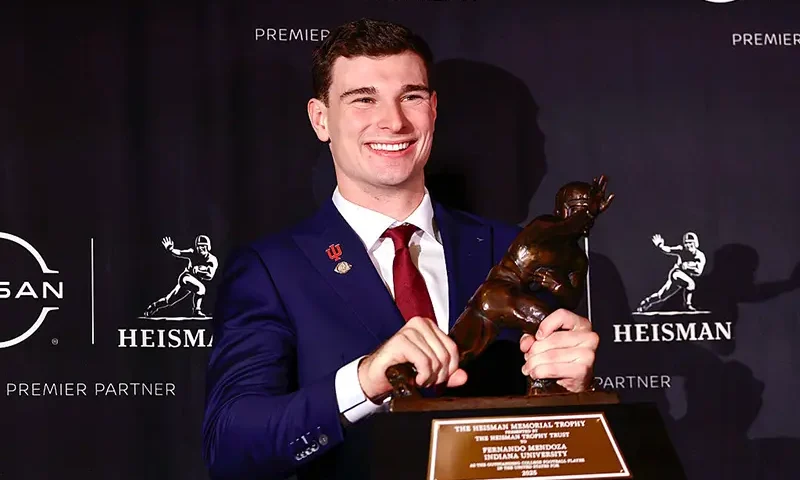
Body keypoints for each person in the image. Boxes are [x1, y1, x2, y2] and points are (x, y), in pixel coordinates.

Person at [202, 18, 599, 480]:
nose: (393, 121)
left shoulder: (510, 248)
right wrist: (365, 380)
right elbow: (230, 444)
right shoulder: (271, 270)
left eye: (410, 97)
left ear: (432, 109)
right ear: (320, 119)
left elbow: (555, 447)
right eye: (363, 99)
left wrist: (573, 395)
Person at [636, 232, 706, 312]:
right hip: (676, 274)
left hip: (685, 277)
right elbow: (669, 249)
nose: (688, 245)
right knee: (691, 284)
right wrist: (660, 246)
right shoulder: (681, 249)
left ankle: (646, 302)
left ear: (695, 243)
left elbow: (698, 272)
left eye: (690, 242)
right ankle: (687, 305)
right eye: (686, 243)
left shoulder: (700, 256)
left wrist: (689, 267)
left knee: (661, 296)